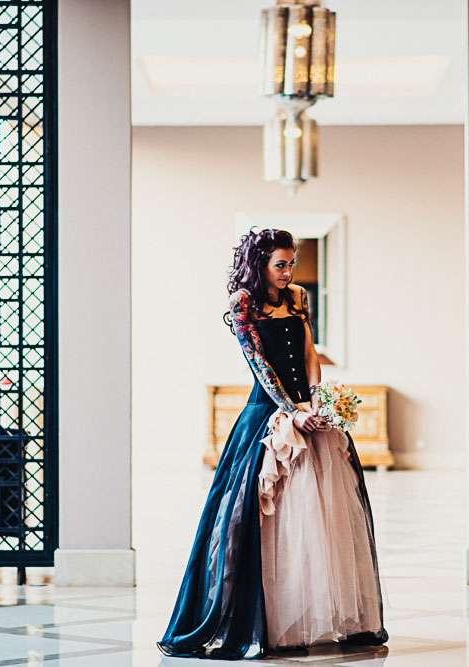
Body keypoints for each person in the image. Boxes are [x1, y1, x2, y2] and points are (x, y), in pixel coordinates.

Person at [156, 228, 389, 659]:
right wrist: (290, 411)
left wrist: (316, 399)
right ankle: (271, 625)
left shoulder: (298, 297)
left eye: (291, 263)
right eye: (280, 265)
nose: (288, 272)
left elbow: (309, 352)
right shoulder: (242, 303)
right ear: (260, 264)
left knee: (319, 518)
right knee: (262, 519)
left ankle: (318, 616)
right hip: (267, 413)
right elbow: (259, 364)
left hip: (308, 411)